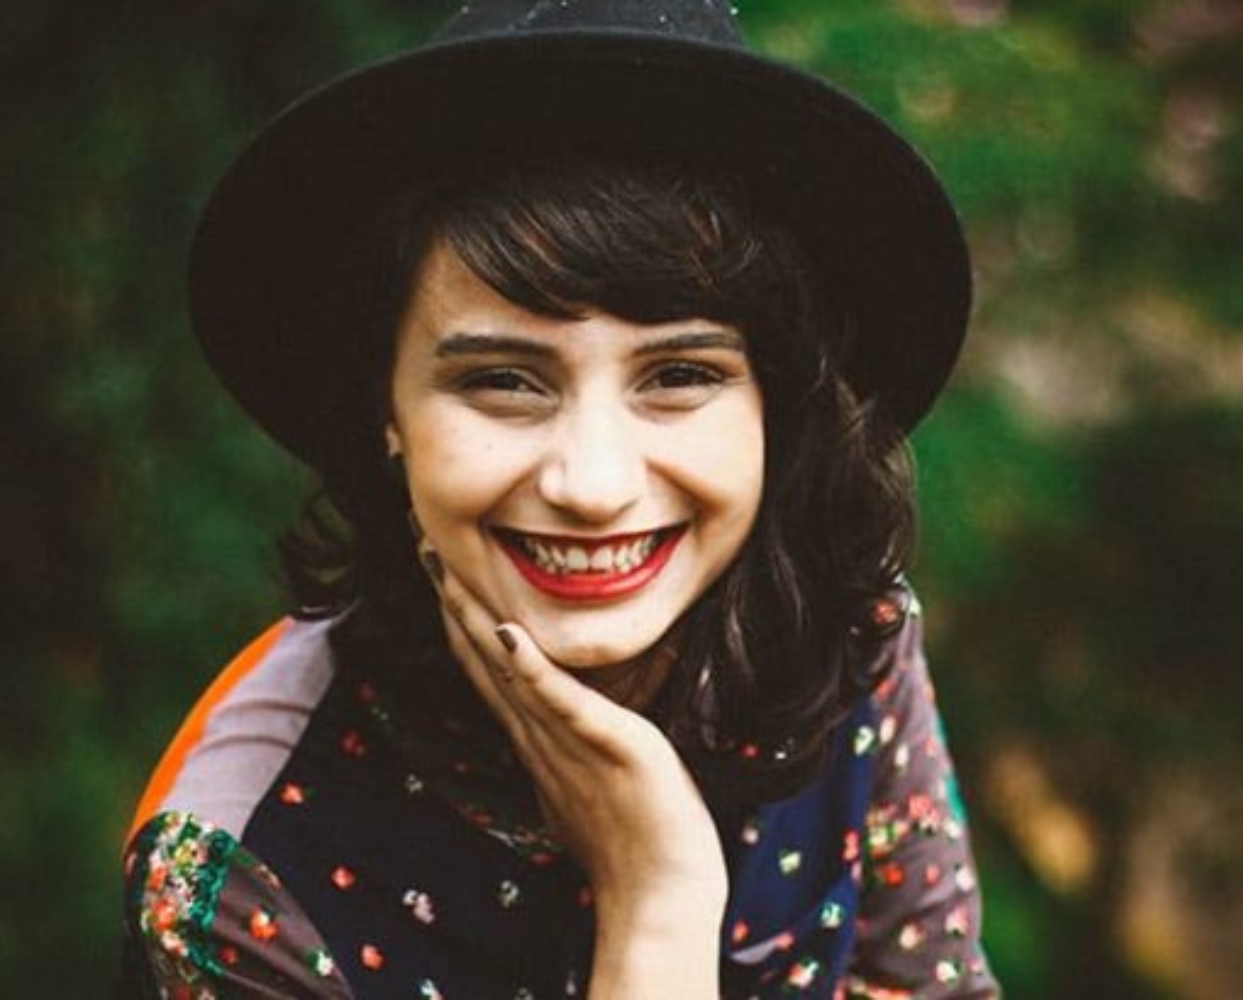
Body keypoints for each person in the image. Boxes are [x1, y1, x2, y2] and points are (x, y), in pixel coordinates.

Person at [119, 2, 1001, 997]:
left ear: (776, 404)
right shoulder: (240, 883)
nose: (592, 484)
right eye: (503, 381)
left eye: (678, 375)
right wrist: (655, 904)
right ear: (385, 406)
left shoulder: (851, 638)